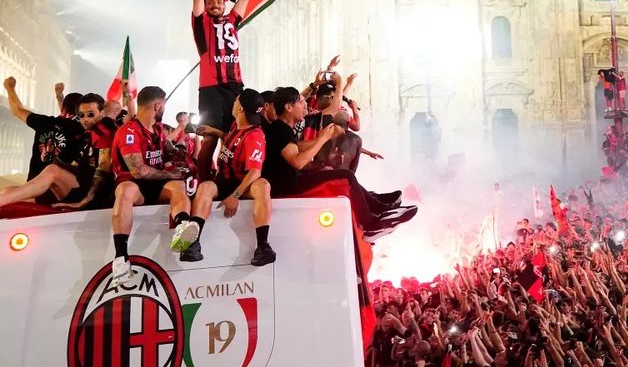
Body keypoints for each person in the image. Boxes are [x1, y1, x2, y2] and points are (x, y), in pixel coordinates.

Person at [263, 87, 412, 239]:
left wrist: (321, 165)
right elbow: (298, 162)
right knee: (345, 176)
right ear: (288, 107)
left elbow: (297, 155)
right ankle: (370, 223)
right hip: (287, 186)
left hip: (291, 180)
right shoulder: (280, 130)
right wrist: (322, 138)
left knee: (336, 173)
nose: (305, 106)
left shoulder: (284, 129)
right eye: (300, 103)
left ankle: (378, 206)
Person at [110, 86, 198, 284]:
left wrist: (180, 153)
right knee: (125, 191)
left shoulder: (157, 129)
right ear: (158, 105)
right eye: (164, 105)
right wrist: (170, 172)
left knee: (177, 186)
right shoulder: (129, 132)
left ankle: (183, 230)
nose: (164, 109)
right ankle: (121, 259)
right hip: (134, 184)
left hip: (157, 183)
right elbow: (138, 171)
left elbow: (169, 149)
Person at [187, 89, 274, 265]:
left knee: (263, 185)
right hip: (223, 180)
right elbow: (234, 142)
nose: (233, 104)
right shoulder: (237, 125)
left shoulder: (255, 135)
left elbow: (255, 171)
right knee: (204, 188)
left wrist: (235, 196)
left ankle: (263, 246)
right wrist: (215, 132)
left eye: (236, 102)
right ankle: (192, 243)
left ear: (240, 108)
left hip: (242, 183)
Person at [191, 0, 253, 178]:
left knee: (234, 134)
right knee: (209, 138)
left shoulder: (232, 20)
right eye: (211, 2)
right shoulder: (201, 24)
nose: (215, 4)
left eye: (219, 1)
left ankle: (227, 177)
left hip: (235, 86)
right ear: (205, 7)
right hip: (211, 90)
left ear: (224, 4)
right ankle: (203, 180)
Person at [0, 80, 105, 209]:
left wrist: (9, 87)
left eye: (89, 115)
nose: (86, 119)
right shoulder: (83, 129)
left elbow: (17, 109)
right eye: (82, 115)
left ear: (62, 109)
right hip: (55, 189)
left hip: (36, 187)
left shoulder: (43, 122)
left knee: (6, 190)